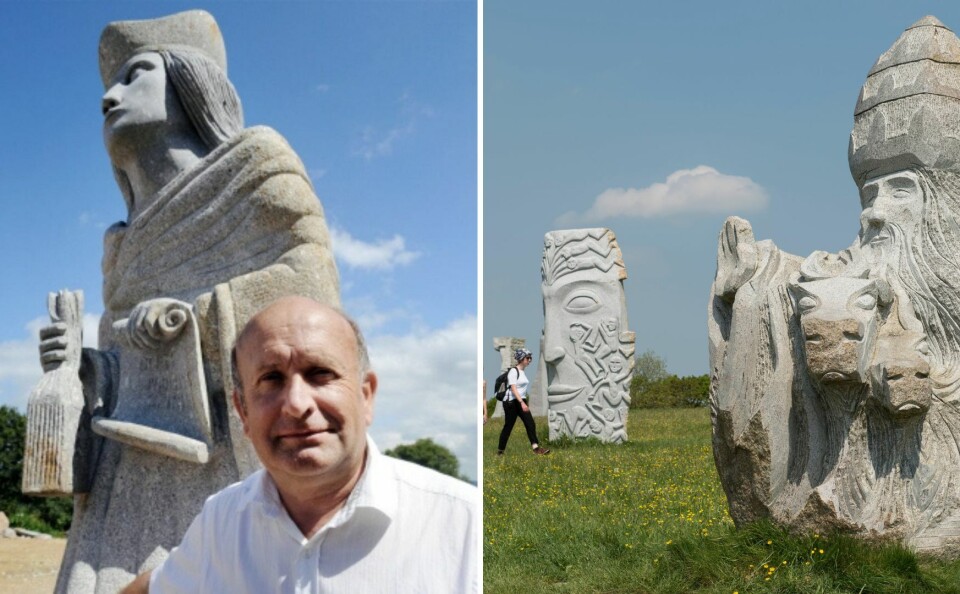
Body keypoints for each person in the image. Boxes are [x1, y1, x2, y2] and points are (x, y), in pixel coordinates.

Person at [33, 11, 340, 593]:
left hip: (229, 458)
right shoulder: (122, 239)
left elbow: (314, 285)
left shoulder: (255, 165)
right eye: (107, 87)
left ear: (187, 82)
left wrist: (191, 316)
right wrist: (80, 366)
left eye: (134, 76)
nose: (109, 99)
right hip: (128, 476)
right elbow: (124, 357)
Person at [122, 296, 478, 593]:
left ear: (365, 396)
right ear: (242, 411)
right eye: (271, 378)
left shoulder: (467, 527)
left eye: (320, 373)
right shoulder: (221, 520)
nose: (296, 403)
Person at [497, 348, 550, 456]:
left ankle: (536, 449)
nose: (530, 360)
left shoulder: (522, 372)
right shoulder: (513, 371)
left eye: (530, 358)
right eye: (527, 358)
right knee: (508, 427)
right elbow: (513, 388)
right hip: (511, 402)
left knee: (530, 423)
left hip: (521, 400)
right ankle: (500, 451)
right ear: (521, 358)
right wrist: (521, 402)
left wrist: (523, 401)